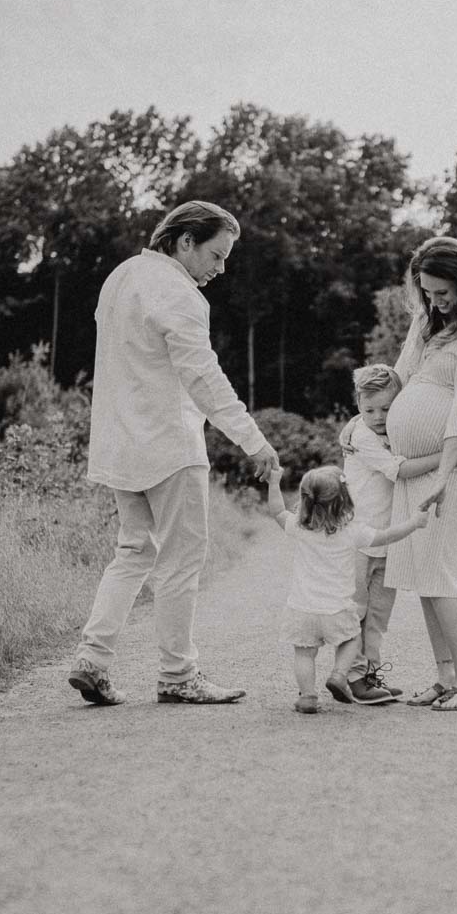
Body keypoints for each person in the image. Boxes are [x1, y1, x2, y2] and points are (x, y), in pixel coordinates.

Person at [66, 201, 279, 707]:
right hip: (170, 443)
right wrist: (254, 439)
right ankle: (179, 675)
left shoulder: (120, 277)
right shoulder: (180, 294)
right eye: (216, 255)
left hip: (121, 442)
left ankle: (91, 660)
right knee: (181, 560)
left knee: (134, 550)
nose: (219, 270)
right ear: (185, 241)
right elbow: (202, 376)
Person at [382, 237, 457, 711]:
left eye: (443, 292)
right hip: (416, 469)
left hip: (452, 467)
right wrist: (362, 419)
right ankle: (444, 677)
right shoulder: (429, 325)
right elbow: (397, 379)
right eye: (428, 292)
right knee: (421, 574)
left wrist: (442, 475)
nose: (435, 300)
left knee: (441, 571)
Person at [337, 363, 457, 704]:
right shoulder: (360, 435)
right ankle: (348, 674)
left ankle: (367, 673)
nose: (378, 417)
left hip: (389, 537)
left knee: (378, 614)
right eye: (369, 410)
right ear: (358, 406)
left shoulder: (389, 431)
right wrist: (447, 458)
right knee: (356, 610)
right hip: (359, 538)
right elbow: (399, 471)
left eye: (387, 409)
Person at [266, 464, 428, 714]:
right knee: (352, 638)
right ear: (344, 500)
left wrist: (274, 481)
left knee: (304, 654)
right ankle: (340, 674)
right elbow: (386, 536)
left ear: (305, 500)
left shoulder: (299, 526)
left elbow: (277, 511)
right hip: (337, 608)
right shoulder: (352, 531)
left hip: (302, 609)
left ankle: (308, 696)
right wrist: (414, 523)